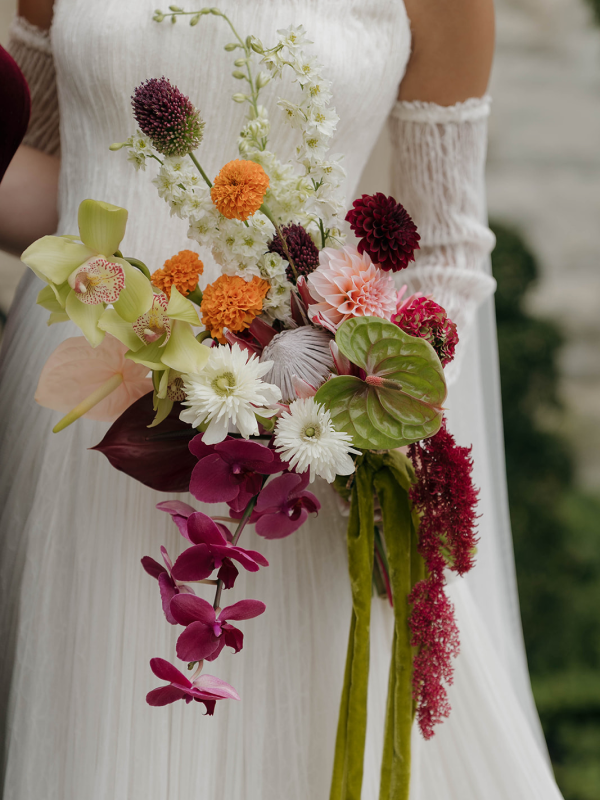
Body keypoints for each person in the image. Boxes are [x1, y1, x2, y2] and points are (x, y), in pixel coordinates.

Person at [0, 1, 564, 798]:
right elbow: (47, 171)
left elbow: (446, 252)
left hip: (291, 437)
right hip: (77, 406)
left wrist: (370, 412)